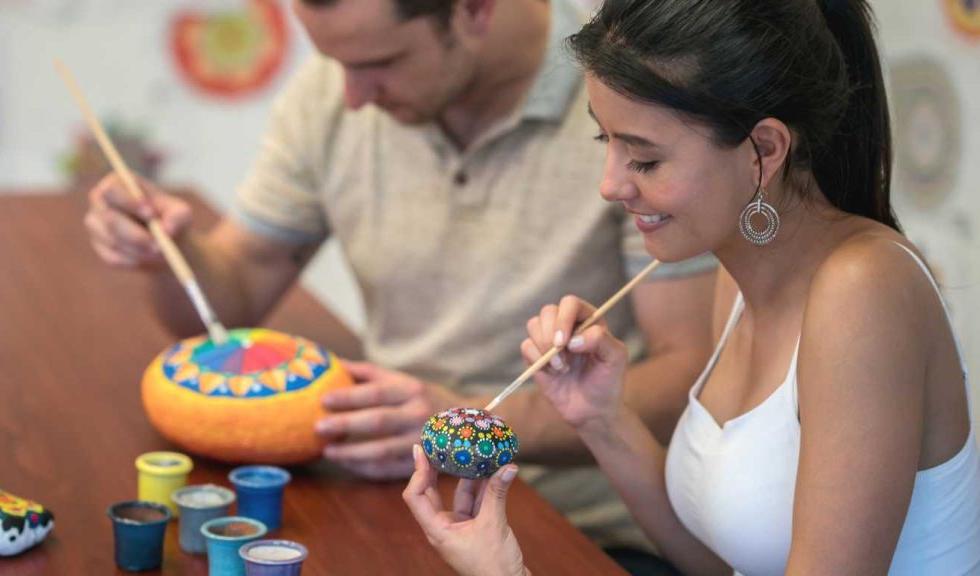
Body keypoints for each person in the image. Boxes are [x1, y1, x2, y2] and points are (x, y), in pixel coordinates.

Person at [83, 0, 718, 570]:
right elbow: (229, 302)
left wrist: (461, 429)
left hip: (585, 531)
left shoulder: (630, 107)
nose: (354, 97)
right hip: (396, 495)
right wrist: (167, 252)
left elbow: (691, 376)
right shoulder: (333, 92)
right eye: (336, 64)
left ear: (473, 11)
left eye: (379, 61)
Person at [403, 0, 980, 574]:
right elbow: (726, 566)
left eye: (646, 160)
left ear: (765, 151)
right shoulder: (735, 273)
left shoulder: (863, 291)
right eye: (608, 143)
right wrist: (600, 418)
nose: (610, 186)